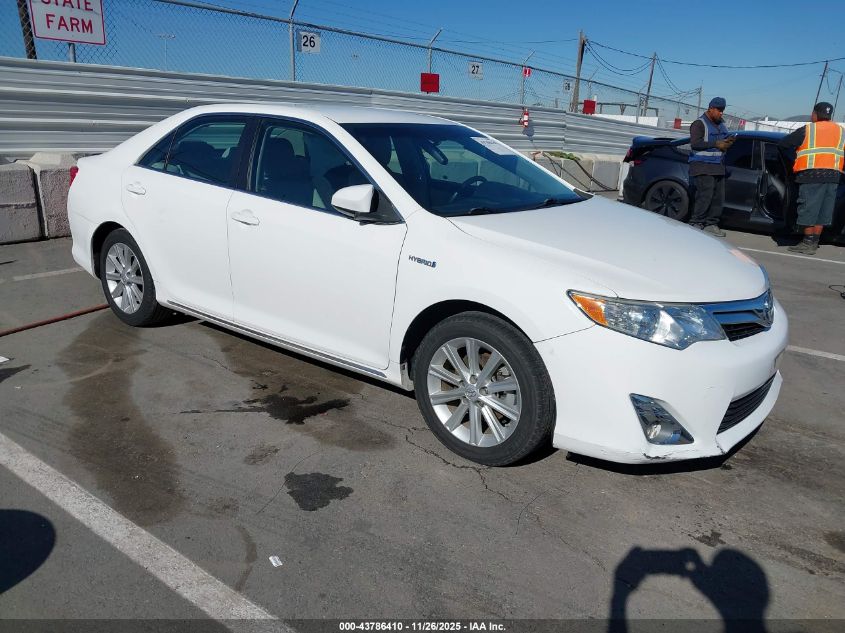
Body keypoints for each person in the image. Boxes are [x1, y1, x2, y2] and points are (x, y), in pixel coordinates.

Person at [779, 102, 844, 255]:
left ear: (815, 114)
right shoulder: (841, 131)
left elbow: (783, 145)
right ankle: (814, 241)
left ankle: (807, 242)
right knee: (823, 211)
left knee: (809, 209)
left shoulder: (809, 129)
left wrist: (792, 163)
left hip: (811, 175)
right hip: (834, 176)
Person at [688, 97, 736, 236]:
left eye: (723, 110)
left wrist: (729, 141)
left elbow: (725, 139)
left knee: (717, 198)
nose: (721, 113)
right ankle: (696, 222)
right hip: (702, 166)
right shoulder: (699, 123)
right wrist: (716, 144)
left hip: (718, 167)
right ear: (711, 108)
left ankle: (711, 223)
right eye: (719, 110)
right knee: (705, 196)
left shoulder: (721, 124)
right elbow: (695, 144)